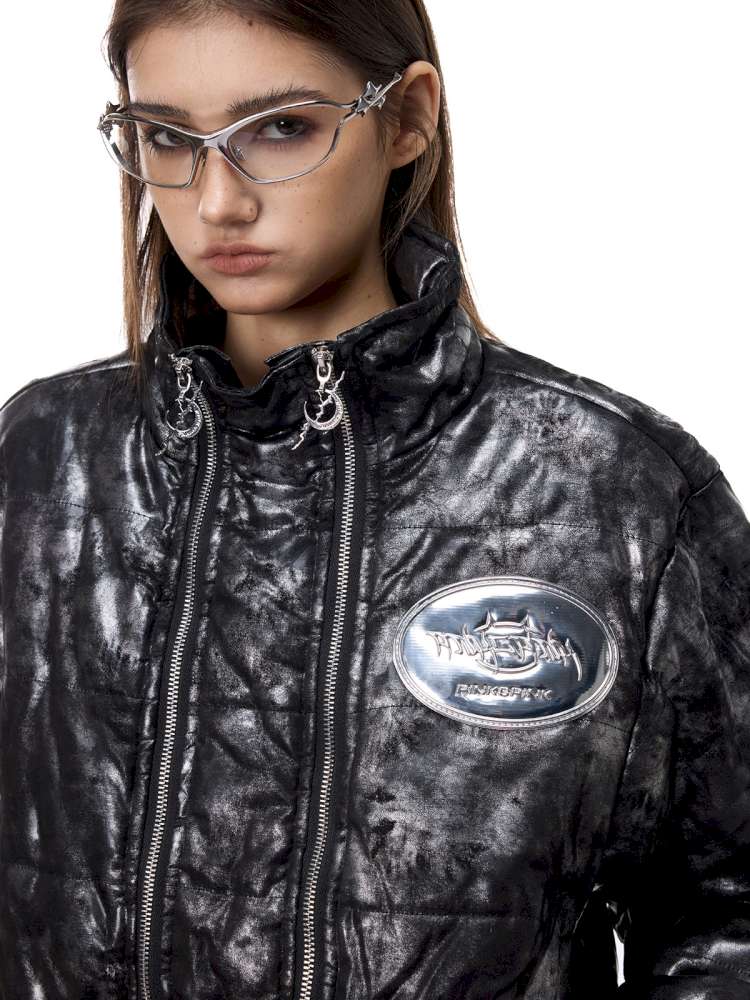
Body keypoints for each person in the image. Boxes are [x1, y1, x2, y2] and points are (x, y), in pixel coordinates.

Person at [0, 2, 748, 998]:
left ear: (407, 118)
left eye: (281, 127)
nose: (217, 200)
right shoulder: (40, 462)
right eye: (167, 137)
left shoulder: (613, 491)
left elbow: (727, 915)